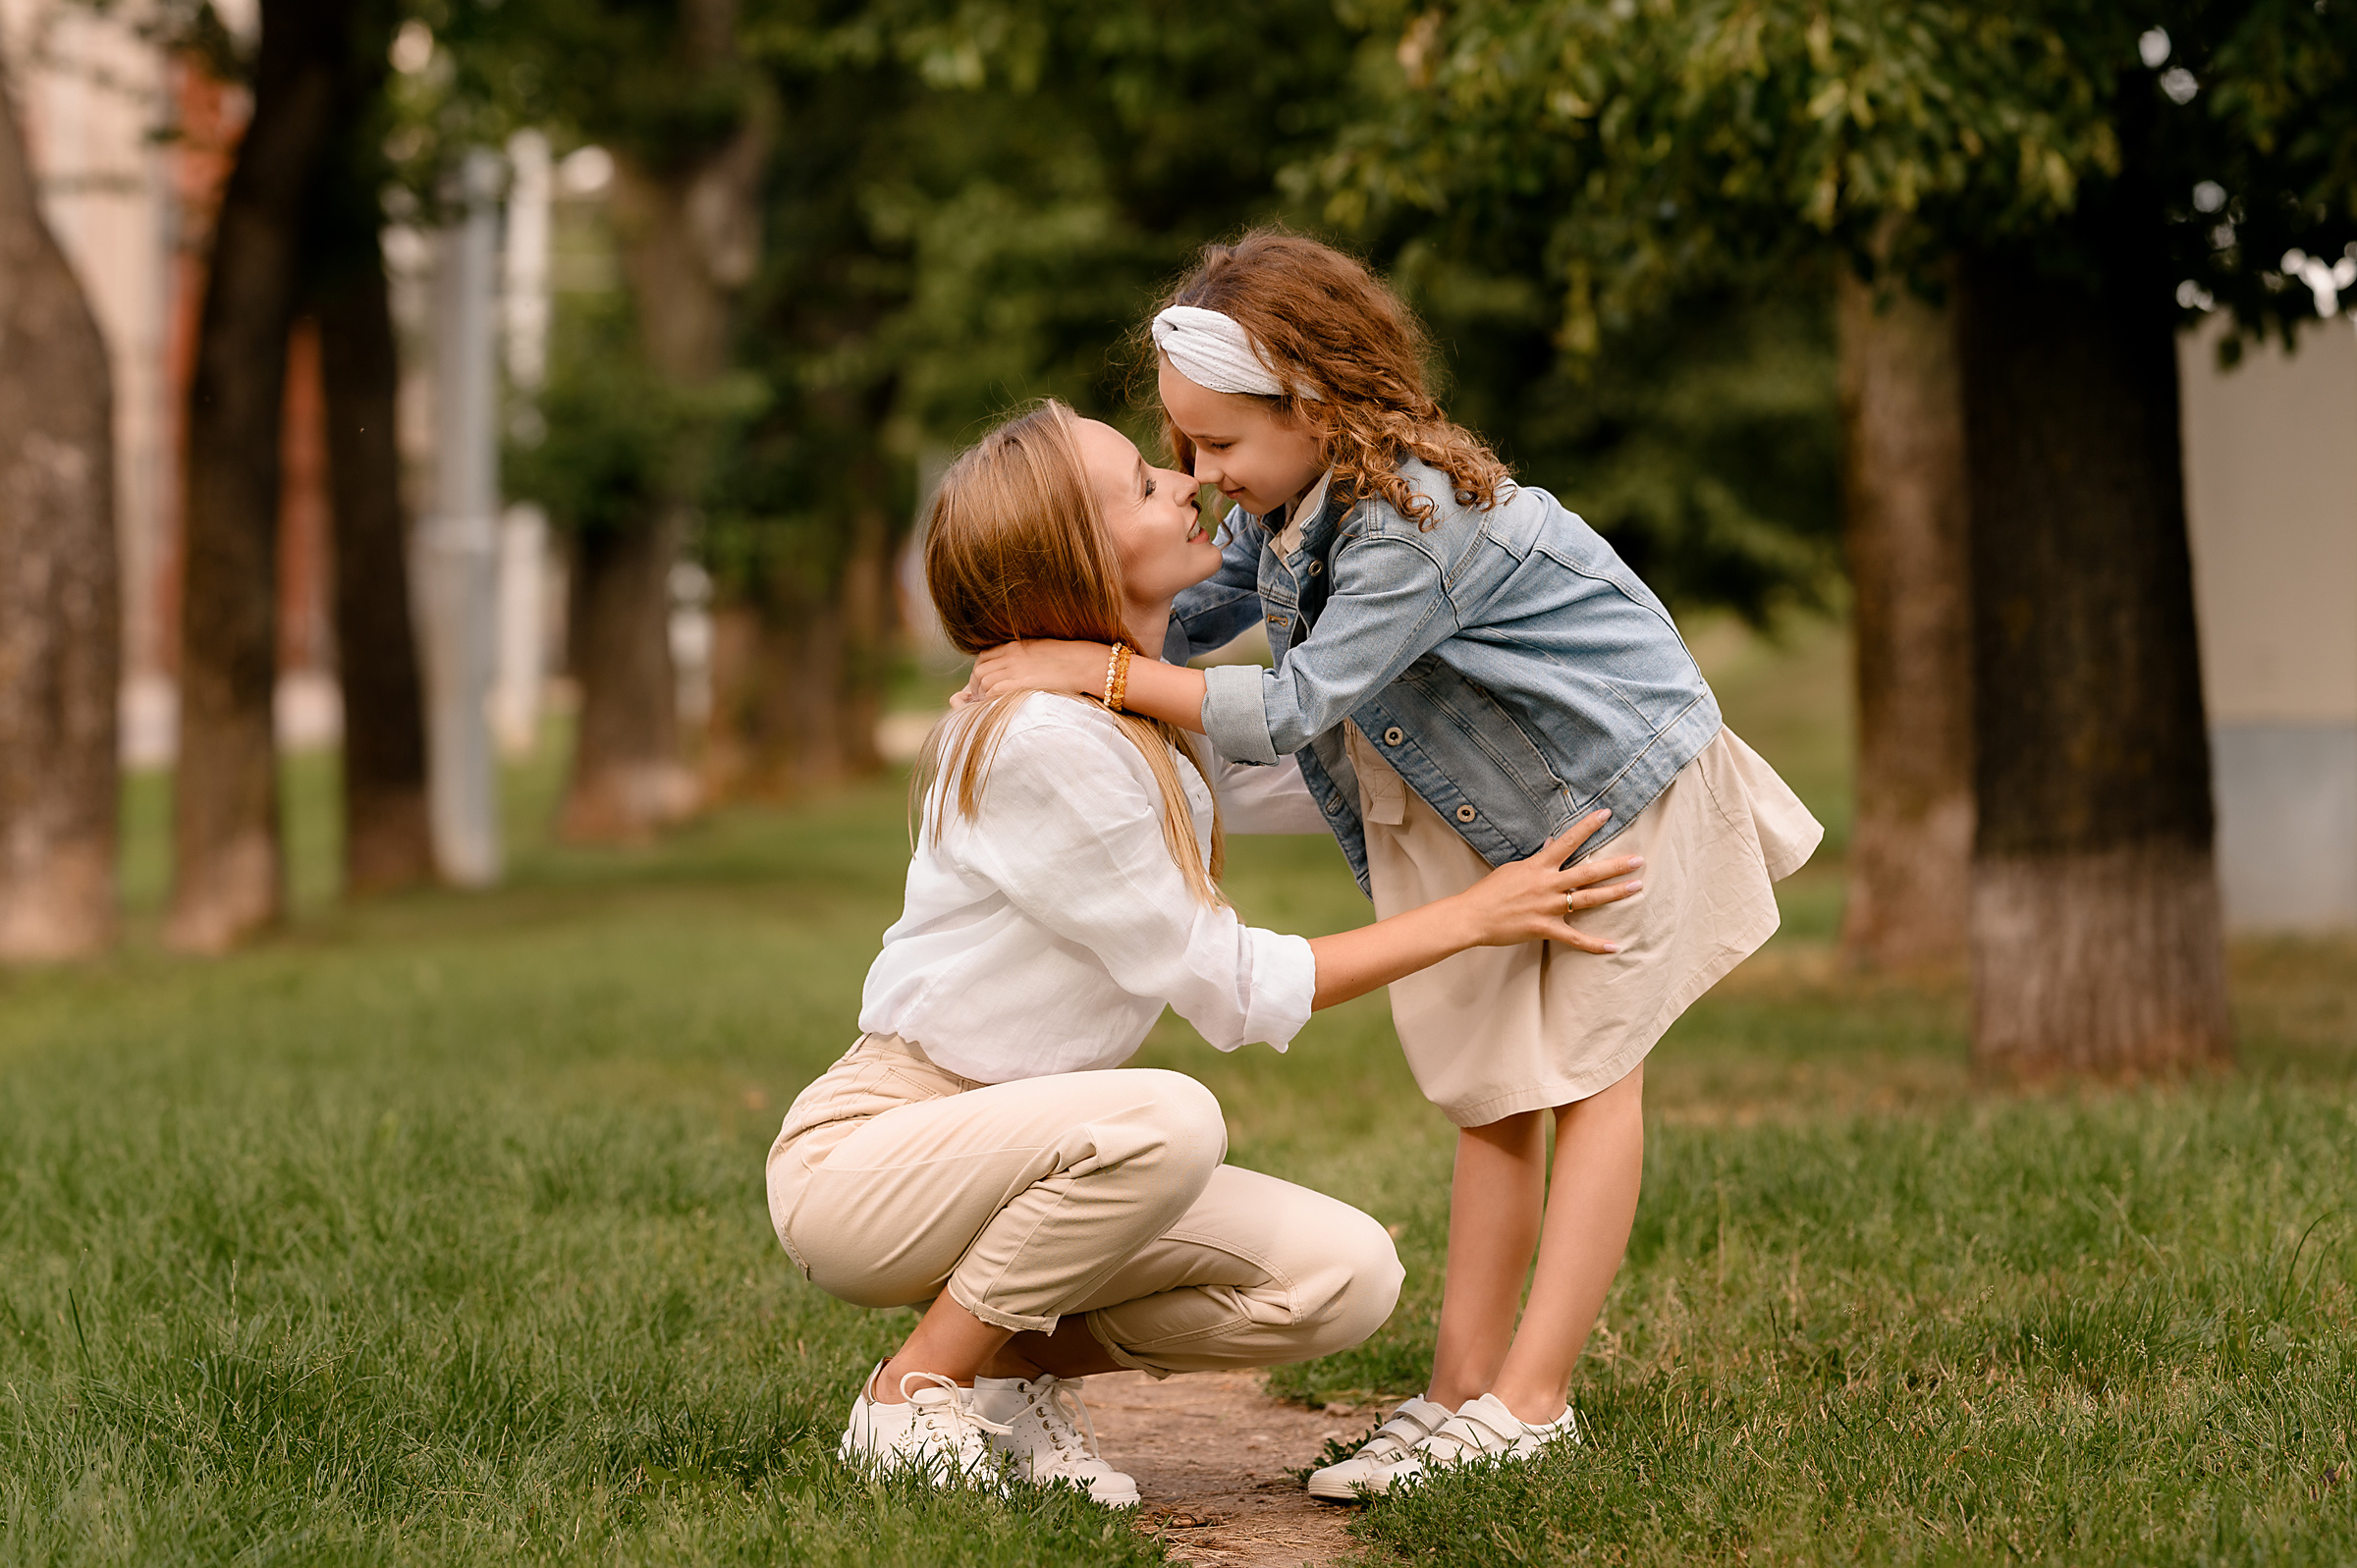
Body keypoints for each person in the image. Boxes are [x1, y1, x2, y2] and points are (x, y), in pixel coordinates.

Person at [968, 232, 1822, 1497]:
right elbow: (1200, 612)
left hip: (1618, 788)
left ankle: (1532, 1405)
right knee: (1493, 1095)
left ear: (1312, 404)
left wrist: (1095, 673)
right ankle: (1457, 1397)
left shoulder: (1411, 513)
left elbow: (1298, 700)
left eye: (1216, 448)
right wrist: (1053, 615)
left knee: (1591, 1075)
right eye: (1184, 450)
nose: (1200, 478)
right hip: (1506, 814)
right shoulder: (1291, 501)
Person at [769, 399, 1644, 1507]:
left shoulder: (1139, 720)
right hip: (874, 1157)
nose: (1187, 485)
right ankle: (912, 1390)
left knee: (1343, 1278)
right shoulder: (1046, 745)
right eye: (1142, 484)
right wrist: (1472, 917)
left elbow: (1339, 763)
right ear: (1079, 558)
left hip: (1048, 1153)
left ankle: (1001, 1377)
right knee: (1171, 1117)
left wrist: (1544, 722)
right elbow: (1235, 989)